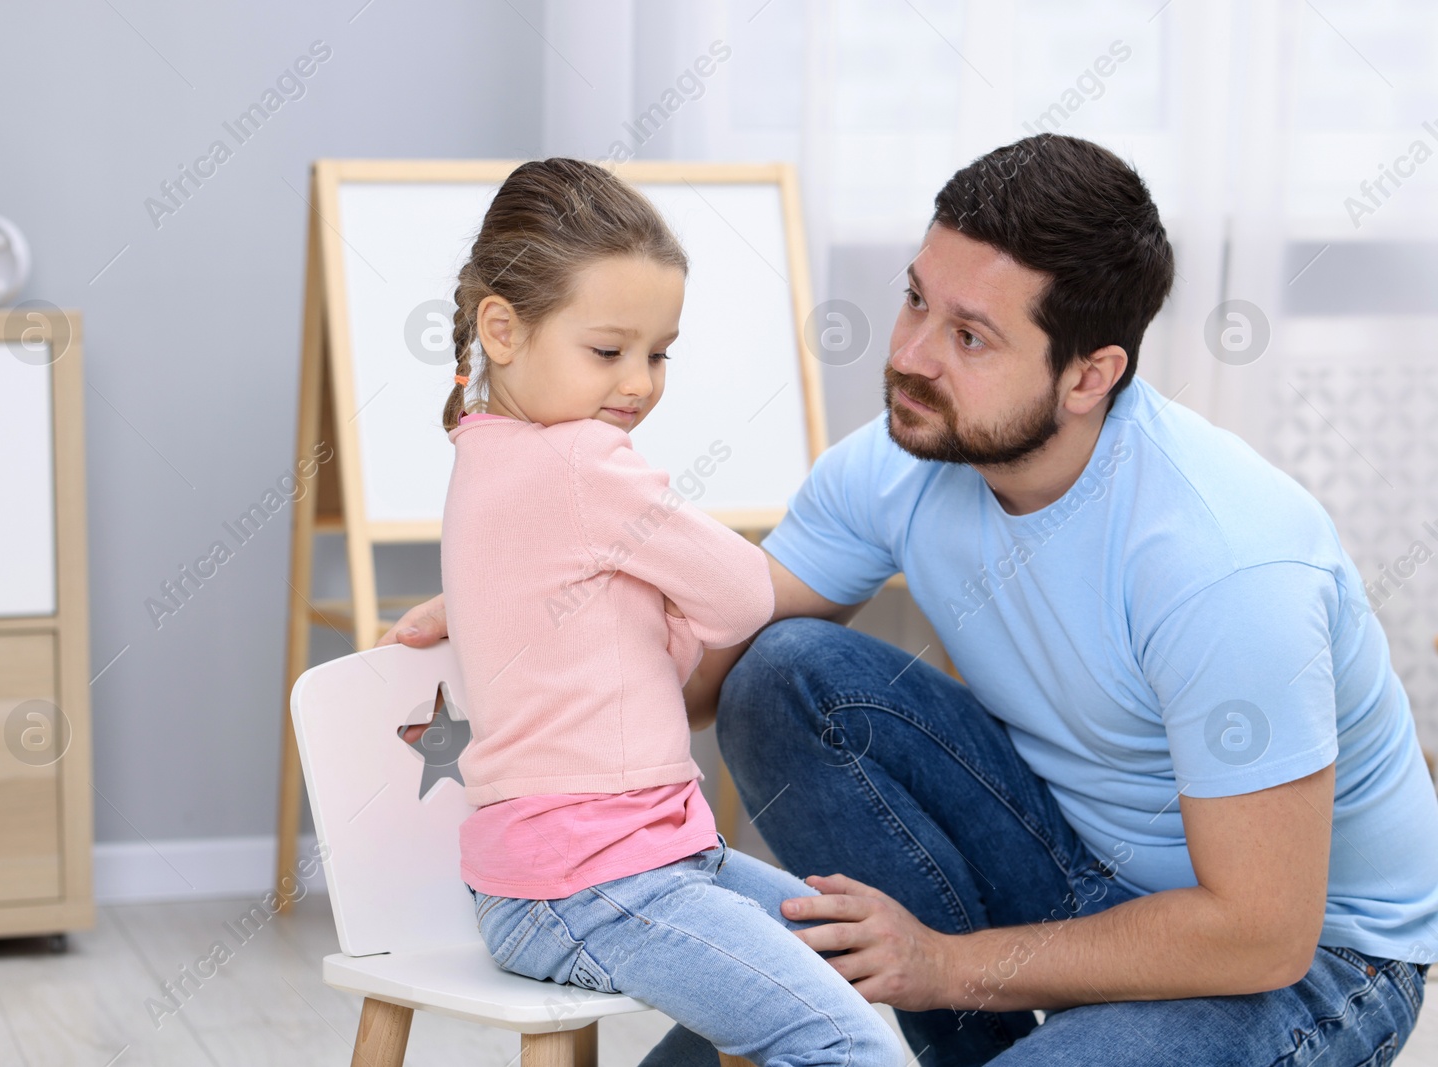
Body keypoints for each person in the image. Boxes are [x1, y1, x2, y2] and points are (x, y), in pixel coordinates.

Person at [384, 136, 1438, 1066]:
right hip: (1065, 853)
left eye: (969, 336)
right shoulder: (900, 457)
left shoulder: (1224, 561)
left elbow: (1261, 931)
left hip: (1300, 959)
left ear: (1087, 375)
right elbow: (726, 650)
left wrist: (941, 965)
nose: (908, 354)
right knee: (787, 670)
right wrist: (526, 587)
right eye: (914, 298)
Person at [423, 157, 903, 1067]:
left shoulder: (487, 454)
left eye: (659, 352)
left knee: (827, 963)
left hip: (612, 868)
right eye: (608, 351)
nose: (638, 382)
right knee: (848, 1044)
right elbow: (742, 597)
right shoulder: (583, 464)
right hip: (593, 880)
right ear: (502, 328)